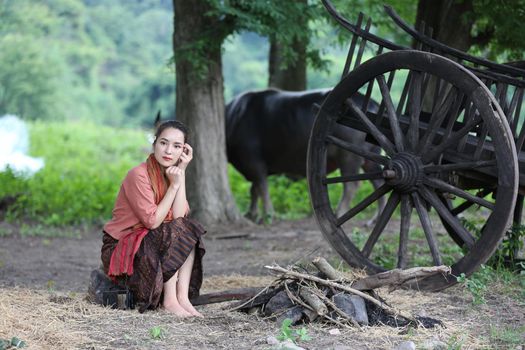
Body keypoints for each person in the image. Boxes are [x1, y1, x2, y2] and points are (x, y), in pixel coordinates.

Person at [101, 120, 205, 317]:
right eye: (163, 143)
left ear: (183, 151)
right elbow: (152, 222)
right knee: (175, 232)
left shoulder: (172, 174)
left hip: (150, 241)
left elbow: (180, 217)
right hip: (123, 246)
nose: (168, 151)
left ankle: (182, 298)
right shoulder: (138, 175)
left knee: (189, 231)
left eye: (177, 146)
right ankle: (170, 301)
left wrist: (181, 173)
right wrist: (173, 187)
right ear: (154, 144)